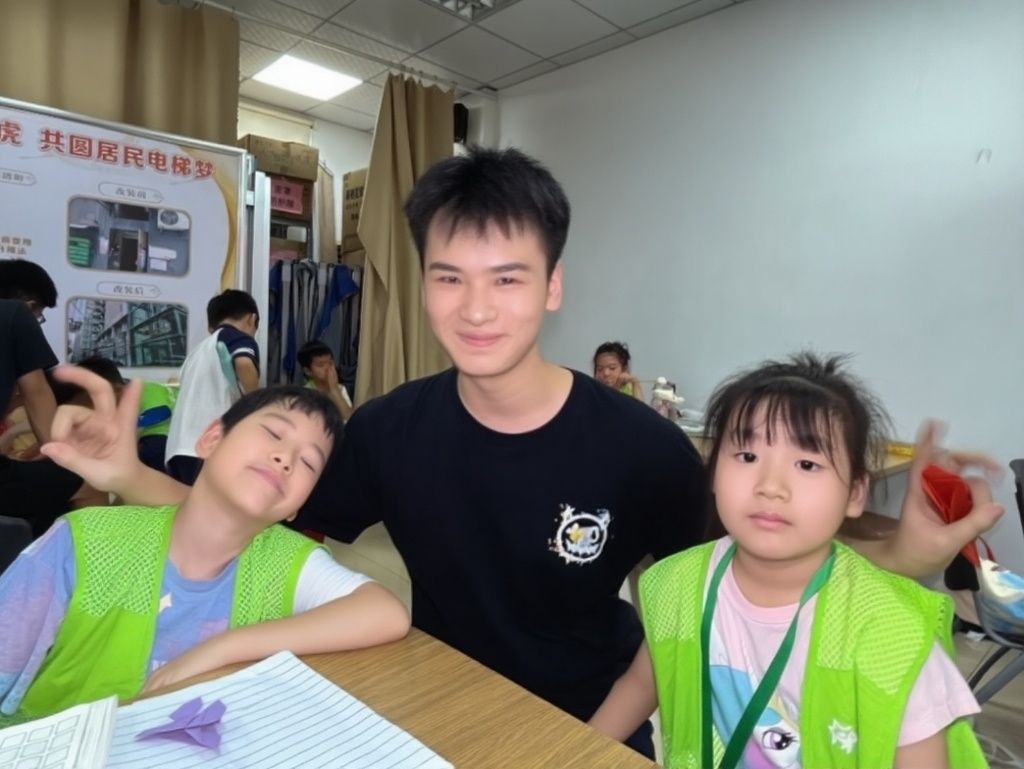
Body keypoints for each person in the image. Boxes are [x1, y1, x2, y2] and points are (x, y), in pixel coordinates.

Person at [37, 149, 1004, 760]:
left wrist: (907, 555)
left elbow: (768, 559)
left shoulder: (639, 446)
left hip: (593, 715)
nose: (474, 308)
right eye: (448, 277)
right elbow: (245, 521)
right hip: (427, 687)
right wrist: (125, 476)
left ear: (552, 287)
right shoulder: (390, 428)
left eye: (506, 278)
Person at [590, 353, 987, 768]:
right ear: (713, 472)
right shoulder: (680, 582)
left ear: (855, 494)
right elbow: (642, 686)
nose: (771, 486)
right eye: (747, 456)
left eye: (807, 464)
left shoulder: (891, 636)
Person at [0, 369, 409, 723]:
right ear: (212, 438)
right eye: (273, 432)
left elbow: (385, 612)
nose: (286, 458)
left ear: (297, 507)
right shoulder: (83, 543)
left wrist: (221, 648)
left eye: (308, 463)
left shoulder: (286, 560)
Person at [0, 260, 86, 536]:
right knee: (82, 482)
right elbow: (37, 394)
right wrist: (60, 456)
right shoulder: (14, 314)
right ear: (30, 305)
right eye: (39, 315)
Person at [164, 289, 260, 484]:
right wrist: (257, 403)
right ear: (252, 320)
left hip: (178, 448)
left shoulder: (195, 353)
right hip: (210, 447)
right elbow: (244, 363)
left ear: (210, 327)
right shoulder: (237, 337)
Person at [297, 339, 354, 422]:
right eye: (321, 365)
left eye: (330, 363)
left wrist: (334, 390)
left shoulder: (340, 389)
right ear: (308, 371)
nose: (328, 368)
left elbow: (350, 418)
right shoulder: (305, 394)